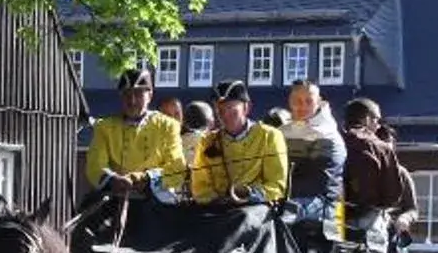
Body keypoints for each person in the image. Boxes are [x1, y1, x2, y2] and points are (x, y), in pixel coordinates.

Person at [341, 96, 420, 253]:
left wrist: (404, 219)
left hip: (347, 217)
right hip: (358, 216)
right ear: (367, 119)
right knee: (372, 235)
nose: (377, 126)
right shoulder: (376, 149)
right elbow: (390, 196)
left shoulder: (333, 142)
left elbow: (410, 208)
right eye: (376, 120)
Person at [81, 65, 185, 199]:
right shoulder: (104, 127)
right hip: (115, 197)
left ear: (150, 95)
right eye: (127, 94)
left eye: (138, 94)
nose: (132, 101)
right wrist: (113, 180)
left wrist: (146, 179)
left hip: (158, 199)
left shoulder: (168, 126)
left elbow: (177, 168)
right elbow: (94, 166)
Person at [190, 80, 287, 204]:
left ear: (247, 108)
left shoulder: (269, 136)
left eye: (231, 108)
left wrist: (250, 194)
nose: (225, 115)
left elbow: (277, 185)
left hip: (256, 208)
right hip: (218, 209)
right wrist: (215, 201)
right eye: (220, 110)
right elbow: (200, 186)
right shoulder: (207, 141)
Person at [280, 79, 348, 223]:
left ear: (318, 102)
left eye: (308, 101)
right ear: (290, 102)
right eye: (297, 101)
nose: (302, 106)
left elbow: (316, 180)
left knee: (273, 221)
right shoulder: (285, 131)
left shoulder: (326, 133)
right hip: (299, 201)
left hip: (324, 205)